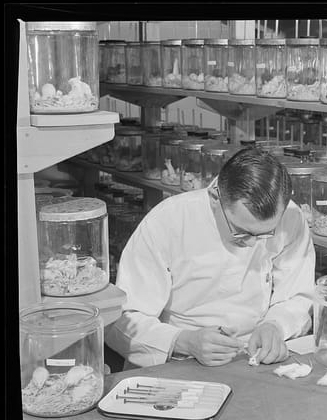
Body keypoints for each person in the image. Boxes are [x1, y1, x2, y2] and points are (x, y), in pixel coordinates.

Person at [105, 148, 315, 369]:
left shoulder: (290, 217)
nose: (253, 243)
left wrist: (275, 326)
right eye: (242, 232)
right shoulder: (169, 221)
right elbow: (124, 320)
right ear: (215, 196)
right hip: (176, 358)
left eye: (264, 234)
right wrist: (183, 341)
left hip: (254, 355)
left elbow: (298, 296)